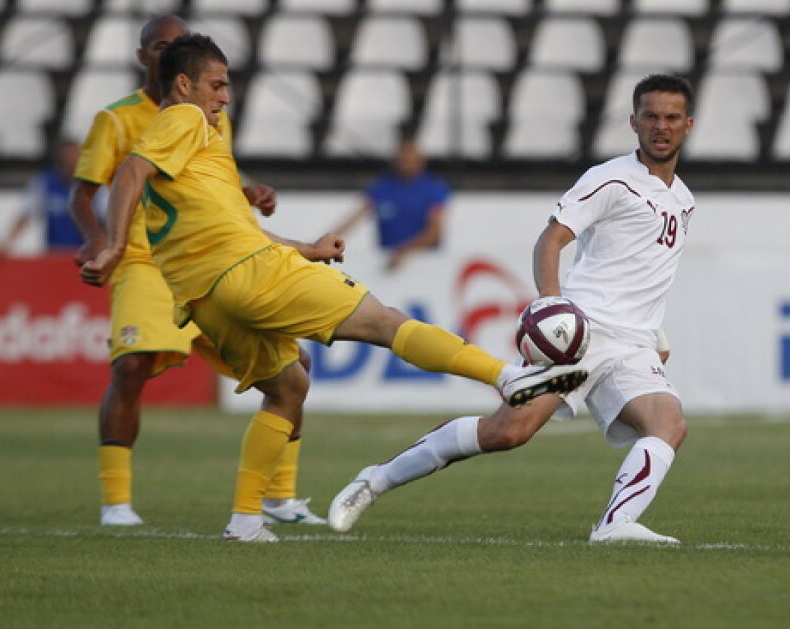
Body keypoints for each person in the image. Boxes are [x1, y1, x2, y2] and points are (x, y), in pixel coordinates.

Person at [79, 33, 587, 543]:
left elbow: (231, 227)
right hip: (250, 274)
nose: (224, 98)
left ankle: (245, 520)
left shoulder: (192, 147)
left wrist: (307, 248)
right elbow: (129, 172)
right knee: (385, 322)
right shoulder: (184, 118)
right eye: (216, 85)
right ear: (183, 84)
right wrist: (116, 245)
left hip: (206, 299)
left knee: (288, 389)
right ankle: (506, 378)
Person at [327, 74, 696, 545]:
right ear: (633, 121)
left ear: (687, 124)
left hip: (634, 345)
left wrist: (654, 333)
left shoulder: (683, 199)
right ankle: (377, 479)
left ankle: (615, 526)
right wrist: (551, 304)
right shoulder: (611, 178)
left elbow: (646, 270)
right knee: (507, 432)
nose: (661, 126)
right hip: (583, 335)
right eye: (651, 116)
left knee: (668, 424)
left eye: (671, 118)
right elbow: (552, 239)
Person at [70, 15, 320, 528]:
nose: (170, 52)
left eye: (179, 44)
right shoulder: (116, 118)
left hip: (209, 261)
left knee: (296, 361)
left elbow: (214, 175)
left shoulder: (211, 112)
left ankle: (280, 496)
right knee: (131, 367)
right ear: (144, 56)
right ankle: (117, 502)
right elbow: (84, 193)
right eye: (162, 45)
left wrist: (248, 191)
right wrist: (99, 239)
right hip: (144, 261)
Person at [331, 138, 449, 271]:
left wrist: (404, 251)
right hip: (387, 259)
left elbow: (435, 232)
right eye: (402, 160)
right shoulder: (383, 186)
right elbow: (355, 217)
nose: (405, 164)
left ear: (421, 162)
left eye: (410, 160)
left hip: (424, 262)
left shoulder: (433, 187)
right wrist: (329, 241)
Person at [0, 140, 93, 255]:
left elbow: (104, 218)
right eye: (67, 159)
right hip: (56, 253)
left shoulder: (92, 184)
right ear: (59, 160)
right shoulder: (45, 182)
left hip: (87, 253)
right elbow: (27, 214)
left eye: (75, 158)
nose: (71, 163)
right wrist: (7, 243)